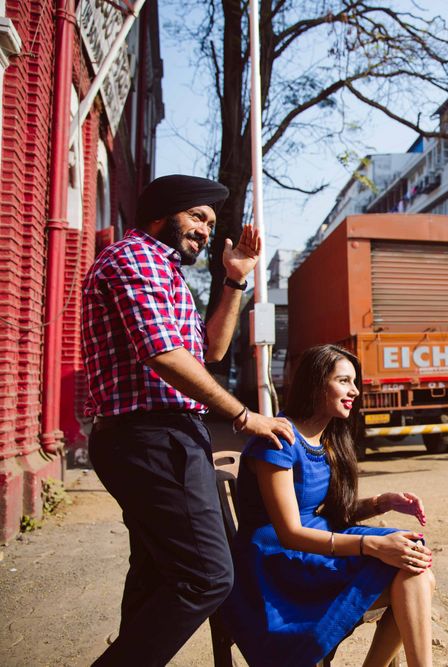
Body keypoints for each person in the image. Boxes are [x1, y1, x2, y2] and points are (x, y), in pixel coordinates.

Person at [82, 174, 295, 666]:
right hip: (151, 436)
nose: (204, 231)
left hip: (164, 436)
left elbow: (210, 353)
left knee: (158, 573)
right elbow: (162, 354)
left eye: (210, 223)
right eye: (197, 217)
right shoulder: (133, 258)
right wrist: (245, 417)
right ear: (160, 214)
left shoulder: (168, 272)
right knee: (207, 576)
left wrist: (235, 278)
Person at [221, 344, 435, 666]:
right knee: (414, 571)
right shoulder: (278, 440)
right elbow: (290, 532)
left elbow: (332, 513)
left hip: (315, 549)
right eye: (344, 381)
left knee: (414, 563)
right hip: (277, 567)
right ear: (317, 382)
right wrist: (373, 545)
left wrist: (382, 502)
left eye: (354, 381)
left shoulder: (327, 439)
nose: (355, 391)